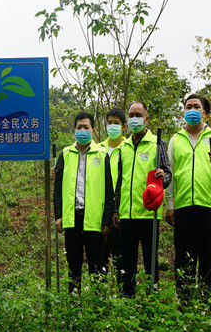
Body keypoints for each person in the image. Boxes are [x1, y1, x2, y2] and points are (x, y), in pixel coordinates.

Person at [165, 94, 211, 296]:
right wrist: (170, 205)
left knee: (208, 257)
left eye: (196, 106)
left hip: (208, 206)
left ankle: (207, 302)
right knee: (183, 259)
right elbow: (169, 174)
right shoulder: (176, 140)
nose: (192, 110)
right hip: (183, 207)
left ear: (205, 113)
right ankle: (184, 303)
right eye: (188, 107)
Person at [111, 101, 172, 297]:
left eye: (138, 115)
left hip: (148, 214)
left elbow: (168, 174)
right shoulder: (124, 147)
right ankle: (127, 299)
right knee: (127, 263)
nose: (134, 119)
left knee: (150, 263)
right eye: (131, 115)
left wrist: (164, 177)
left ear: (146, 119)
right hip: (126, 214)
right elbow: (121, 180)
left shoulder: (157, 144)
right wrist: (115, 209)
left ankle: (151, 301)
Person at [53, 112, 114, 292]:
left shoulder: (102, 155)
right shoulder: (66, 154)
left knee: (97, 267)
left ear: (93, 131)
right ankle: (74, 306)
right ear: (74, 130)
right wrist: (59, 216)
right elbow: (57, 189)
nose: (82, 130)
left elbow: (109, 190)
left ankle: (98, 307)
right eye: (79, 127)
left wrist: (106, 219)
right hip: (72, 219)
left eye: (86, 127)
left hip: (94, 220)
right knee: (74, 266)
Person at [100, 108, 127, 276]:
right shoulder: (98, 149)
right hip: (101, 211)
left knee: (121, 259)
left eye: (116, 123)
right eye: (109, 123)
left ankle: (123, 297)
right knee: (100, 258)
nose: (112, 126)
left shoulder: (128, 148)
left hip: (121, 211)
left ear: (124, 127)